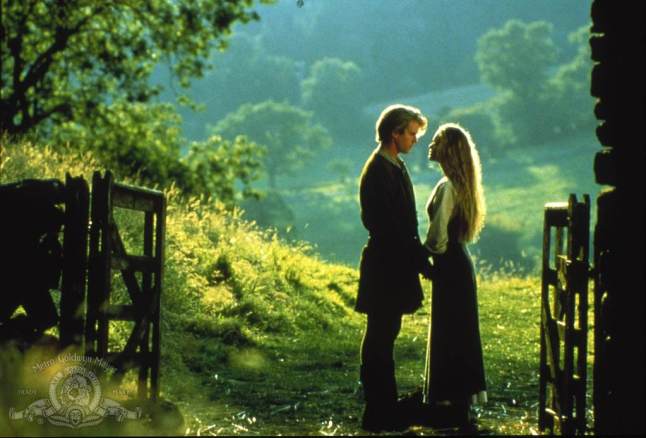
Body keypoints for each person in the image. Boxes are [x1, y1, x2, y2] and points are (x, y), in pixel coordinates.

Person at [356, 104, 433, 432]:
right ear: (395, 133)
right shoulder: (379, 170)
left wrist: (417, 257)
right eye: (411, 133)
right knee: (380, 335)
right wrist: (417, 258)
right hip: (386, 264)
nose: (414, 139)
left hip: (394, 261)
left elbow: (404, 224)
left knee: (385, 333)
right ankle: (379, 409)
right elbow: (389, 224)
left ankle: (383, 406)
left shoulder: (394, 166)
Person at [422, 122, 487, 427]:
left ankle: (448, 399)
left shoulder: (448, 187)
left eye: (437, 140)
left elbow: (437, 237)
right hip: (460, 262)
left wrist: (422, 255)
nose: (430, 144)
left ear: (448, 149)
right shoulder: (461, 185)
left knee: (449, 329)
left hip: (449, 264)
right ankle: (458, 399)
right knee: (460, 329)